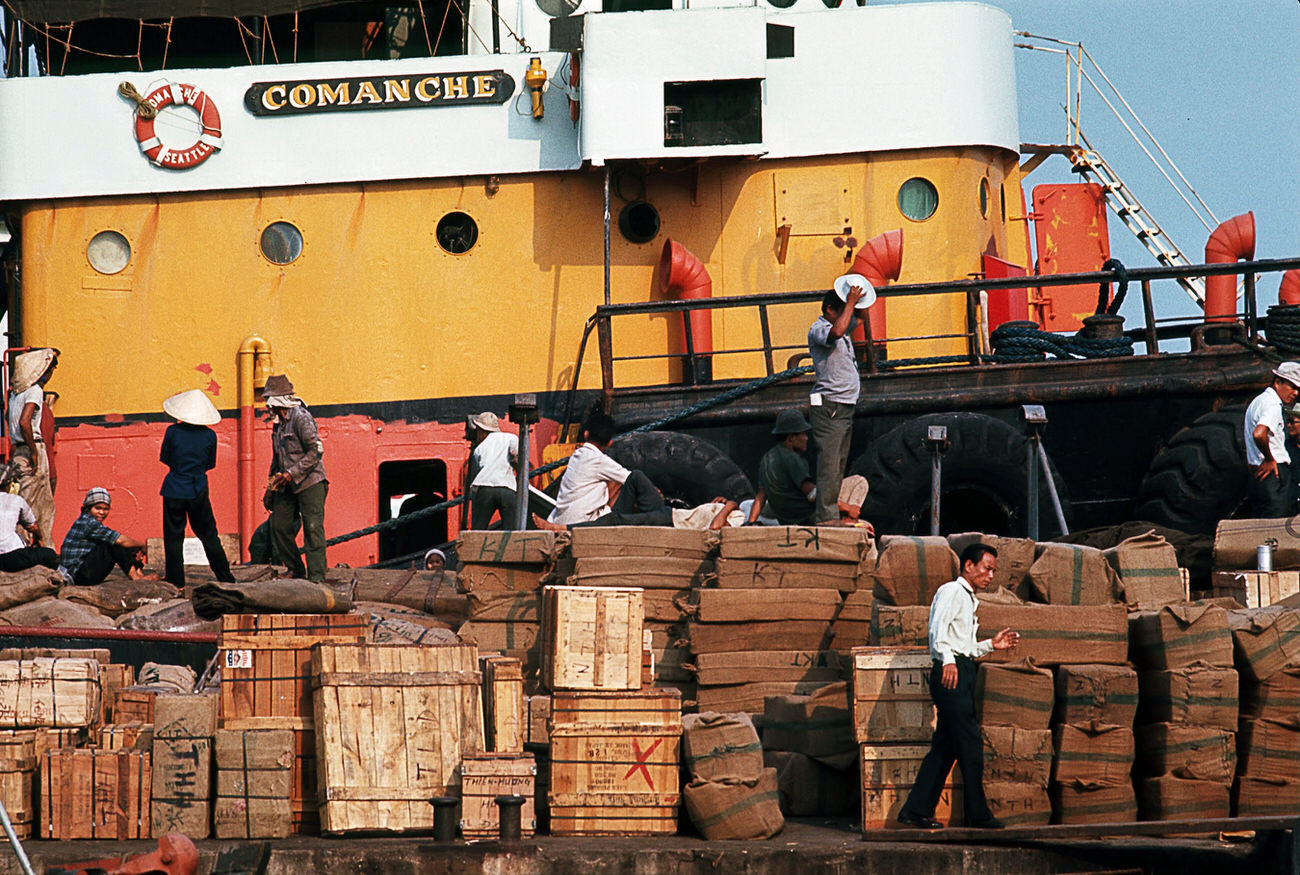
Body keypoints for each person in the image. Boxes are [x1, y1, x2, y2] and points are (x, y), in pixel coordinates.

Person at [896, 543, 1020, 830]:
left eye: (993, 570)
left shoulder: (969, 598)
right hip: (949, 672)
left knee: (946, 747)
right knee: (970, 742)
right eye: (986, 568)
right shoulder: (952, 591)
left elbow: (964, 646)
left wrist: (992, 645)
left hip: (960, 669)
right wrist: (948, 661)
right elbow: (938, 631)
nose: (990, 575)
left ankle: (914, 811)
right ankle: (978, 814)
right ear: (968, 565)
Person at [534, 412, 741, 530]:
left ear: (586, 433)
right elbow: (626, 478)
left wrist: (729, 506)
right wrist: (727, 504)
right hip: (668, 514)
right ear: (609, 442)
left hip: (670, 518)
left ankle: (563, 529)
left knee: (635, 486)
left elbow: (715, 528)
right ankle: (651, 507)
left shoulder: (579, 457)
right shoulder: (742, 511)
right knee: (633, 480)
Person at [159, 389, 235, 587]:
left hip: (174, 487)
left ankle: (175, 581)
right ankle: (225, 577)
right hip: (198, 488)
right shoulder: (210, 436)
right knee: (209, 534)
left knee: (174, 537)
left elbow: (165, 458)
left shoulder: (172, 431)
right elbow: (210, 464)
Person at [262, 374, 329, 582]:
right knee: (279, 526)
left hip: (311, 482)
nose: (267, 407)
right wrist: (270, 489)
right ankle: (295, 568)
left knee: (312, 528)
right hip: (286, 484)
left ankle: (317, 577)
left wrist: (292, 474)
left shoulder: (301, 418)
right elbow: (276, 460)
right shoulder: (278, 424)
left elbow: (316, 452)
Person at [808, 286, 865, 525]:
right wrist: (850, 301)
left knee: (839, 462)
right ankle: (825, 517)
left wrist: (858, 300)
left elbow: (858, 319)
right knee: (829, 465)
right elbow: (838, 330)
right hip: (830, 407)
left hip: (844, 407)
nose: (848, 315)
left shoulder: (843, 325)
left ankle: (830, 512)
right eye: (842, 310)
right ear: (830, 309)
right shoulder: (819, 329)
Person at [6, 348, 58, 545]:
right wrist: (34, 453)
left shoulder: (14, 394)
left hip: (19, 450)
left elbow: (11, 421)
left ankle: (35, 548)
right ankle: (37, 549)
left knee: (26, 501)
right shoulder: (35, 391)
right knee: (39, 505)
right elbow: (24, 422)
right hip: (32, 448)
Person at [58, 487, 156, 586]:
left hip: (82, 571)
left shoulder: (89, 521)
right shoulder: (88, 522)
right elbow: (120, 540)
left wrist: (135, 547)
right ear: (88, 508)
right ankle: (135, 577)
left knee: (121, 542)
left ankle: (138, 574)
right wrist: (142, 545)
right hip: (77, 575)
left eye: (106, 509)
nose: (102, 512)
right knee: (114, 543)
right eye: (98, 508)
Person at [1244, 362, 1300, 518]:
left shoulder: (1258, 402)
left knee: (1260, 524)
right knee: (1275, 524)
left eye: (1298, 389)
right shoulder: (1274, 405)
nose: (1295, 393)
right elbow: (1258, 433)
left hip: (1258, 473)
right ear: (1278, 382)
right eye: (1292, 387)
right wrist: (1269, 458)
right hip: (1273, 472)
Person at [746, 409, 817, 525]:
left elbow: (761, 497)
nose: (806, 438)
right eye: (803, 434)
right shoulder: (791, 458)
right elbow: (811, 494)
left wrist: (750, 523)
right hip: (806, 518)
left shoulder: (766, 458)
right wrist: (844, 507)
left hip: (786, 521)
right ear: (791, 438)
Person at [0, 466, 58, 572]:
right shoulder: (16, 500)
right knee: (50, 554)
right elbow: (33, 526)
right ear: (8, 485)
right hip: (12, 556)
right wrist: (39, 539)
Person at [468, 411, 519, 530]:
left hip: (485, 490)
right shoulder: (511, 437)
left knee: (478, 530)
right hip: (508, 489)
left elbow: (478, 469)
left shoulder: (478, 449)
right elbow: (516, 455)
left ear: (481, 431)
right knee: (512, 531)